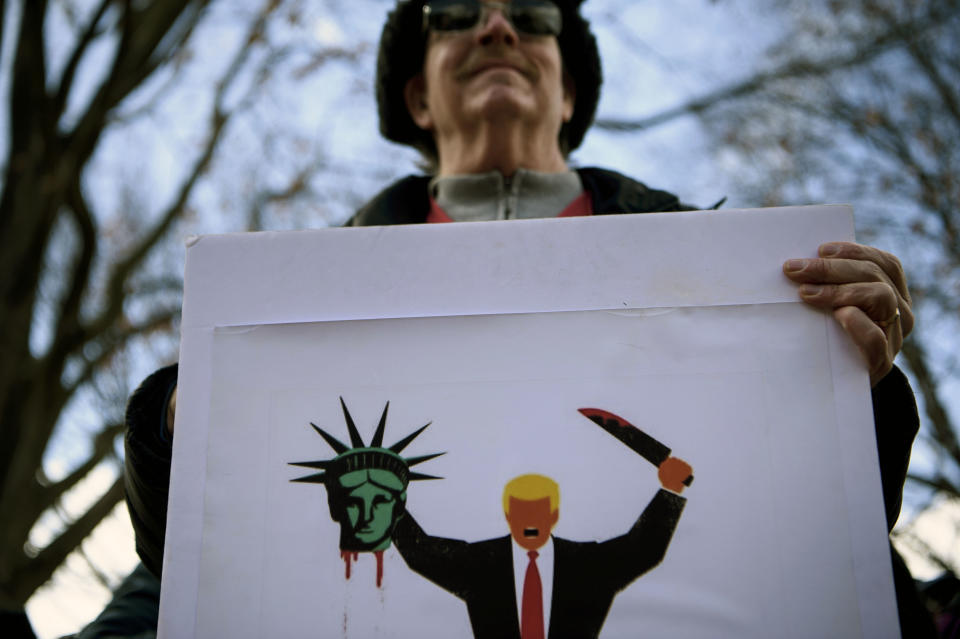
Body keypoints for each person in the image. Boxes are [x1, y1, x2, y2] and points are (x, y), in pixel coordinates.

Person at [119, 0, 934, 636]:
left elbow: (822, 554)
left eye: (532, 18)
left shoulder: (741, 283)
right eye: (457, 16)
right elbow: (184, 581)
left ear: (569, 88)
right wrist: (178, 431)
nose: (498, 26)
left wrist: (847, 382)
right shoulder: (290, 316)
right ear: (417, 96)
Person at [393, 461, 691, 637]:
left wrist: (670, 491)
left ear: (555, 515)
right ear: (508, 516)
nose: (530, 523)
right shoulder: (481, 564)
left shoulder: (587, 566)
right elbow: (424, 554)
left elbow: (642, 549)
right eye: (521, 513)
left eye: (538, 513)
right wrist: (382, 501)